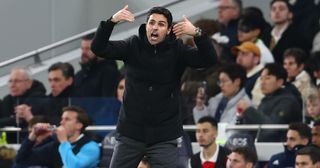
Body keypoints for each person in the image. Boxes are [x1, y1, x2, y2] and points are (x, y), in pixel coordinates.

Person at [91, 5, 217, 168]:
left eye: (161, 24)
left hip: (164, 136)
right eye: (152, 23)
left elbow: (209, 60)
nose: (155, 27)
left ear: (169, 29)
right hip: (131, 133)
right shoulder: (132, 45)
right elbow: (98, 48)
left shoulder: (178, 50)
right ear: (146, 26)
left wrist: (197, 34)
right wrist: (111, 22)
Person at [15, 106, 100, 168]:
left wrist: (64, 142)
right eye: (62, 119)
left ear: (79, 125)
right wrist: (32, 136)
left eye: (67, 119)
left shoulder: (91, 147)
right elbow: (21, 160)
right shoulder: (55, 146)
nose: (61, 122)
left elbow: (73, 166)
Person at [237, 63, 302, 141]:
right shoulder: (267, 99)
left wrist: (249, 110)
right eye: (261, 78)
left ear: (280, 82)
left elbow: (272, 129)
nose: (262, 82)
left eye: (267, 78)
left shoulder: (287, 101)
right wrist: (243, 117)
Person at [1, 68, 47, 143]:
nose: (12, 85)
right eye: (10, 81)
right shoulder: (7, 100)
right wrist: (13, 120)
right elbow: (16, 121)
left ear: (29, 83)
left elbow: (23, 122)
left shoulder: (39, 98)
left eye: (17, 81)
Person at [74, 33, 120, 97]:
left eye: (88, 49)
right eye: (82, 49)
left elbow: (108, 102)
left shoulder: (109, 73)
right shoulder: (79, 75)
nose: (83, 53)